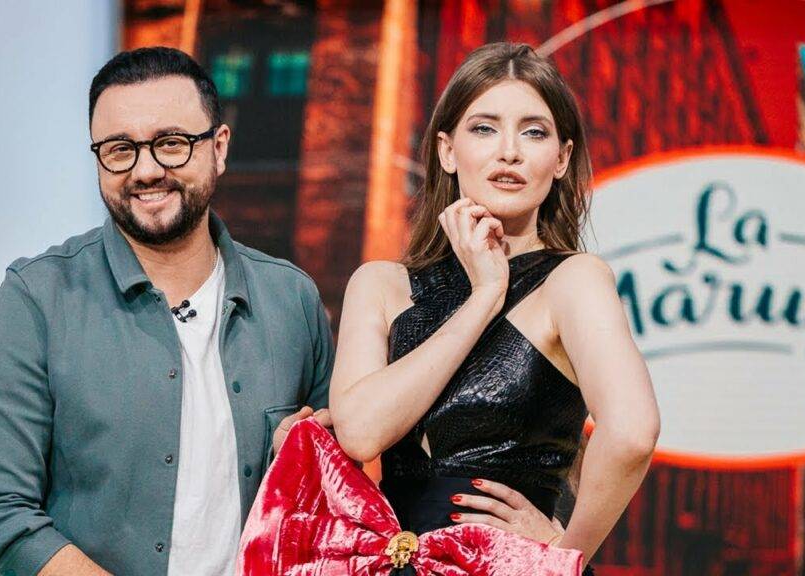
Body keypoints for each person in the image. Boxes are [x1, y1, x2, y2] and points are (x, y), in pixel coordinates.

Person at [240, 42, 660, 573]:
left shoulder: (573, 280)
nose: (509, 152)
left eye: (534, 132)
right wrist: (484, 296)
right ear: (446, 150)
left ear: (562, 159)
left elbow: (632, 433)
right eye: (484, 128)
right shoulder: (381, 284)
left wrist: (562, 557)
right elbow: (362, 431)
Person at [0, 47, 333, 576]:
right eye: (120, 149)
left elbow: (337, 504)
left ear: (219, 147)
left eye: (172, 143)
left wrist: (308, 463)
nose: (146, 170)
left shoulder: (292, 300)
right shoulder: (37, 299)